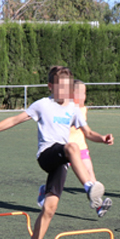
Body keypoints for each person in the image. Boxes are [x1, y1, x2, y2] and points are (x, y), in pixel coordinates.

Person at [0, 66, 114, 239]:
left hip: (61, 160)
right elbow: (14, 120)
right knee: (72, 147)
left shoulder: (73, 108)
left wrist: (103, 138)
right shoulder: (42, 105)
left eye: (68, 87)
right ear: (50, 87)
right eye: (60, 87)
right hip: (47, 154)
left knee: (50, 207)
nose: (65, 91)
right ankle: (89, 187)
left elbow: (88, 133)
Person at [37, 79, 96, 207]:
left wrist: (101, 138)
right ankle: (45, 190)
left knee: (90, 173)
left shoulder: (83, 109)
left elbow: (87, 131)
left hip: (81, 147)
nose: (82, 96)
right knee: (60, 179)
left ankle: (98, 204)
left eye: (84, 93)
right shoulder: (65, 109)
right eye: (79, 93)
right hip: (66, 149)